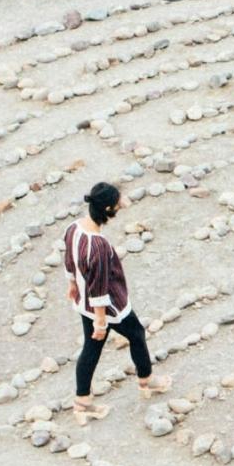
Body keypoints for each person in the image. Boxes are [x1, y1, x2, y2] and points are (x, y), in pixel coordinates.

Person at [64, 180, 168, 423]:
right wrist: (101, 321)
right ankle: (146, 380)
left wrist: (71, 284)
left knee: (91, 350)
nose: (121, 205)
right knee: (136, 334)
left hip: (84, 302)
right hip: (109, 307)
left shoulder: (74, 228)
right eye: (117, 204)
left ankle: (82, 402)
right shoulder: (98, 246)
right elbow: (99, 285)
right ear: (109, 210)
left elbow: (69, 259)